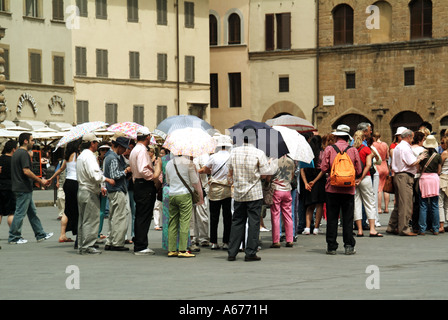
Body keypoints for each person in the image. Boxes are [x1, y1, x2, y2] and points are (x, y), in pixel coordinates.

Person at [226, 129, 273, 262]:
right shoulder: (259, 153)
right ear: (254, 139)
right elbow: (264, 174)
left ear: (242, 139)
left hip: (239, 192)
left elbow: (229, 171)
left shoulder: (234, 152)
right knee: (254, 222)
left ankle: (232, 252)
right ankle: (250, 252)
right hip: (254, 192)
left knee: (237, 221)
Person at [318, 124, 362, 255]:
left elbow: (324, 168)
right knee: (347, 218)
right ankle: (348, 245)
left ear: (336, 136)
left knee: (332, 218)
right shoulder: (353, 150)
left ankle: (331, 246)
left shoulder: (330, 149)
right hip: (348, 189)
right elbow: (358, 170)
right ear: (348, 137)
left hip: (332, 188)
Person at [8, 132, 53, 244]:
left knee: (32, 212)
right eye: (32, 140)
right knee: (20, 213)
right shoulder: (23, 154)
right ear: (25, 141)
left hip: (21, 187)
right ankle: (14, 237)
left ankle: (40, 234)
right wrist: (40, 180)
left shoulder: (17, 153)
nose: (34, 142)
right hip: (23, 188)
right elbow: (26, 171)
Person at [76, 133, 115, 255]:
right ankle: (88, 245)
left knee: (83, 220)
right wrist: (106, 180)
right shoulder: (89, 156)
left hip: (82, 189)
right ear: (92, 143)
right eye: (96, 142)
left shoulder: (81, 156)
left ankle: (82, 244)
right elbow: (94, 174)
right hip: (89, 191)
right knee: (91, 219)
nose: (97, 144)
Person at [386, 129, 427, 236]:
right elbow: (411, 162)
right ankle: (404, 228)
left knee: (399, 204)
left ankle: (392, 226)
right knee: (406, 204)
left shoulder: (398, 146)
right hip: (405, 176)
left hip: (399, 175)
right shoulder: (405, 147)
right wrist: (420, 158)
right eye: (412, 137)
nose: (413, 139)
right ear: (408, 137)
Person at [128, 127, 161, 255]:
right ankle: (141, 245)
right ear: (147, 137)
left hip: (138, 183)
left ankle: (139, 242)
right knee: (144, 216)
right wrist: (154, 175)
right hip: (144, 184)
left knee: (140, 215)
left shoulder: (135, 150)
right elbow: (143, 170)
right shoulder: (141, 150)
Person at [165, 154, 203, 258]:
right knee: (184, 222)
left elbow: (167, 181)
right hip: (184, 194)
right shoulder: (188, 163)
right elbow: (195, 181)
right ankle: (182, 249)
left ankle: (172, 249)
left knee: (172, 222)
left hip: (172, 194)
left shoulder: (169, 163)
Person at [199, 135, 232, 250]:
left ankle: (213, 241)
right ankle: (226, 241)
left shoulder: (214, 157)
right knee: (227, 216)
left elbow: (206, 169)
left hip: (215, 189)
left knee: (214, 216)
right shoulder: (231, 156)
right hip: (227, 189)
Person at [50, 139, 82, 245]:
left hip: (67, 183)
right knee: (78, 210)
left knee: (67, 210)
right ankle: (79, 235)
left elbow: (60, 170)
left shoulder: (67, 156)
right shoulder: (78, 155)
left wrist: (51, 179)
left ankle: (63, 234)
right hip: (75, 183)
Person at [103, 136, 132, 251]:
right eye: (124, 148)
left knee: (113, 217)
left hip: (112, 190)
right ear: (118, 146)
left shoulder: (108, 156)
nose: (124, 151)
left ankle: (110, 240)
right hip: (117, 190)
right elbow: (114, 175)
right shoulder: (114, 157)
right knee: (120, 217)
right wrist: (126, 171)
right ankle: (117, 242)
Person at [352, 131, 383, 237]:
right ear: (363, 138)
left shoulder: (351, 150)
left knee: (357, 203)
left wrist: (356, 178)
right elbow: (369, 164)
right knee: (369, 203)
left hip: (353, 179)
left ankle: (359, 230)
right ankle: (372, 229)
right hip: (365, 178)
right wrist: (361, 178)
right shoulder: (366, 149)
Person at [301, 135, 325, 235]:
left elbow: (302, 169)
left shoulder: (306, 154)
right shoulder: (322, 153)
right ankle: (316, 227)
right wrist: (315, 181)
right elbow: (323, 169)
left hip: (308, 177)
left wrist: (306, 183)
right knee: (319, 204)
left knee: (309, 205)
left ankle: (307, 227)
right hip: (319, 180)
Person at [270, 154, 296, 248]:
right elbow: (292, 175)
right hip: (287, 189)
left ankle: (276, 240)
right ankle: (290, 239)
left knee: (275, 215)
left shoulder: (274, 161)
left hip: (277, 189)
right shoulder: (291, 161)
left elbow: (270, 175)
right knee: (288, 214)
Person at [418, 135, 442, 235]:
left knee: (423, 205)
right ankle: (436, 228)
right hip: (434, 179)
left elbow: (419, 168)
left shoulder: (422, 154)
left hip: (424, 178)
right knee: (434, 205)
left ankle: (422, 229)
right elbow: (439, 170)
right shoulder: (438, 156)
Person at [190, 152, 210, 251]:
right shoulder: (184, 156)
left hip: (201, 188)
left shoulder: (202, 155)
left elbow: (207, 169)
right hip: (188, 188)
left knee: (202, 214)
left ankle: (203, 237)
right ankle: (193, 237)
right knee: (190, 216)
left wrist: (194, 170)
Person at [0, 140, 18, 231]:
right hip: (11, 187)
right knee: (12, 212)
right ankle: (13, 232)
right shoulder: (14, 161)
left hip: (0, 185)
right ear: (13, 150)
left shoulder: (0, 159)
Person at [411, 131, 426, 233]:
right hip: (419, 176)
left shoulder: (410, 148)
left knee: (410, 201)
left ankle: (412, 222)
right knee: (419, 201)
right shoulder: (422, 150)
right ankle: (418, 224)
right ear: (420, 140)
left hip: (410, 175)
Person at [372, 132, 389, 214]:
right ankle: (386, 208)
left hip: (377, 165)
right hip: (384, 165)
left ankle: (379, 208)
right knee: (385, 188)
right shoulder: (385, 144)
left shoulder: (373, 145)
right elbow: (387, 157)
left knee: (379, 188)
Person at [439, 136, 448, 232]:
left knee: (440, 202)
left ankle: (441, 225)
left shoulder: (445, 153)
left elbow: (439, 165)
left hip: (443, 178)